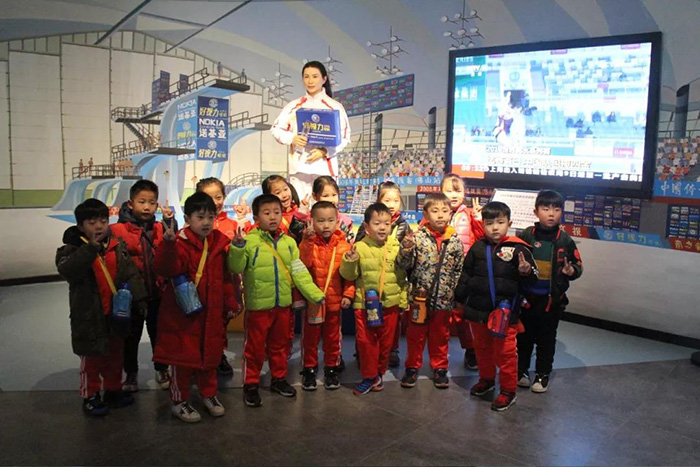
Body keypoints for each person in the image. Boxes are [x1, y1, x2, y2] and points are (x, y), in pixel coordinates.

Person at [227, 194, 324, 408]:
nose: (272, 217)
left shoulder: (289, 243)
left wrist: (315, 294)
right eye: (267, 213)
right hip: (258, 307)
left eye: (276, 212)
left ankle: (279, 379)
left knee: (280, 346)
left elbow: (298, 271)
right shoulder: (249, 242)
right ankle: (250, 384)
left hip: (283, 306)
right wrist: (237, 248)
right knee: (254, 348)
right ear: (256, 217)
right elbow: (235, 268)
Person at [153, 192, 239, 423]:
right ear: (187, 218)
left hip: (211, 315)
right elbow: (166, 269)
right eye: (200, 217)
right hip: (183, 316)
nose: (206, 222)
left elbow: (225, 279)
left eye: (210, 217)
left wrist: (230, 302)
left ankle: (208, 394)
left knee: (209, 359)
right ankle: (178, 401)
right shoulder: (179, 244)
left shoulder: (218, 243)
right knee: (182, 361)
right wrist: (168, 245)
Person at [56, 199, 147, 416]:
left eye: (103, 221)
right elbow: (68, 271)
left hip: (116, 315)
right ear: (81, 226)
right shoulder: (71, 250)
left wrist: (140, 299)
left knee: (115, 357)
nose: (99, 226)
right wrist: (90, 248)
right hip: (90, 317)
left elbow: (131, 274)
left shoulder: (116, 246)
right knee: (91, 360)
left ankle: (113, 390)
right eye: (92, 222)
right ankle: (90, 396)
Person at [455, 201, 538, 412]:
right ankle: (487, 380)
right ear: (482, 224)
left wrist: (526, 271)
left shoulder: (519, 249)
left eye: (500, 222)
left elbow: (533, 280)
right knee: (482, 349)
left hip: (505, 314)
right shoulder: (477, 248)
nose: (494, 228)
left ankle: (508, 391)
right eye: (489, 223)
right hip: (478, 311)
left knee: (505, 353)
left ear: (509, 223)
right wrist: (458, 298)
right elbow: (466, 275)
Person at [110, 180, 176, 393]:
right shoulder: (117, 230)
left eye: (152, 202)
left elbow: (171, 249)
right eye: (142, 202)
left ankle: (161, 369)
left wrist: (170, 223)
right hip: (131, 297)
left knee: (159, 334)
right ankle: (130, 373)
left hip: (157, 294)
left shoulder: (160, 228)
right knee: (130, 337)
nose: (147, 207)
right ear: (130, 204)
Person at [517, 190, 583, 393]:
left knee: (546, 340)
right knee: (524, 338)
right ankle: (521, 371)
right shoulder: (527, 235)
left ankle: (542, 374)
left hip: (551, 302)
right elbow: (514, 260)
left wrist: (571, 271)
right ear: (536, 212)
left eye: (556, 209)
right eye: (546, 209)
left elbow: (578, 265)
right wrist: (520, 269)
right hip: (526, 299)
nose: (551, 214)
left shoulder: (565, 240)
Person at [397, 194, 465, 389]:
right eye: (435, 211)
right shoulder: (417, 238)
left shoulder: (455, 241)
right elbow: (403, 265)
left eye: (445, 211)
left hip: (444, 300)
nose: (440, 215)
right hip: (419, 299)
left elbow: (459, 269)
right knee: (415, 335)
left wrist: (454, 292)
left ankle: (440, 367)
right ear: (425, 214)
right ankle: (412, 367)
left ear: (450, 214)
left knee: (440, 335)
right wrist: (406, 248)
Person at [340, 203, 407, 396]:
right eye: (377, 223)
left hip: (390, 304)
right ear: (367, 227)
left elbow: (402, 276)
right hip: (365, 305)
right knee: (366, 342)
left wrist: (402, 300)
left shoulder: (396, 247)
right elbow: (349, 275)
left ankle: (378, 374)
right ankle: (369, 376)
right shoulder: (359, 247)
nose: (382, 227)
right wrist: (350, 260)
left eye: (386, 223)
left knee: (386, 343)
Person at [270, 61, 351, 200]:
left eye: (315, 76)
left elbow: (344, 137)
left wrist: (325, 151)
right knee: (300, 208)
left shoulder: (334, 107)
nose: (310, 81)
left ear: (324, 79)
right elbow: (276, 129)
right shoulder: (294, 106)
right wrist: (292, 138)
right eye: (306, 77)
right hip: (299, 169)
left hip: (325, 168)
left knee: (325, 209)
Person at [298, 201, 355, 391]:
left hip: (334, 303)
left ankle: (331, 369)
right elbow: (303, 265)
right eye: (320, 221)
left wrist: (348, 294)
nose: (326, 225)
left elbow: (349, 275)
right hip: (313, 303)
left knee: (333, 339)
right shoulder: (308, 244)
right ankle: (309, 369)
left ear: (337, 221)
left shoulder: (344, 246)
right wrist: (307, 241)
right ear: (312, 222)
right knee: (310, 339)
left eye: (330, 220)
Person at [196, 177, 248, 376]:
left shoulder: (233, 224)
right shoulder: (195, 225)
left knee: (221, 322)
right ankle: (199, 355)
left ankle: (218, 354)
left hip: (226, 284)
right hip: (202, 285)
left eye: (218, 197)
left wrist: (243, 222)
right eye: (208, 197)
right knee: (200, 323)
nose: (214, 202)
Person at [356, 181, 411, 368]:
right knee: (367, 328)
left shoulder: (404, 225)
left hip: (391, 282)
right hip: (371, 286)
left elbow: (405, 261)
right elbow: (358, 248)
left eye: (396, 200)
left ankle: (391, 351)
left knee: (391, 325)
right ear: (379, 201)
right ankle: (364, 354)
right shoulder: (367, 227)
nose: (392, 204)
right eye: (387, 200)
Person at [441, 173, 484, 370]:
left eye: (457, 191)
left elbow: (482, 237)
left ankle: (471, 350)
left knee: (462, 316)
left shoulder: (469, 214)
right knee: (441, 316)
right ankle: (439, 356)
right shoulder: (435, 212)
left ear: (465, 193)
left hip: (464, 274)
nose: (453, 195)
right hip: (441, 274)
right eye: (449, 190)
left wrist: (479, 219)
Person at [261, 175, 308, 242]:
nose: (284, 195)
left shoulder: (300, 211)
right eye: (278, 193)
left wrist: (302, 212)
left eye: (285, 189)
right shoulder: (269, 219)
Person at [312, 175, 354, 243]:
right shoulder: (308, 219)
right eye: (325, 196)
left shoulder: (344, 222)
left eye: (334, 195)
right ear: (314, 196)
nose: (331, 199)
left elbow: (350, 244)